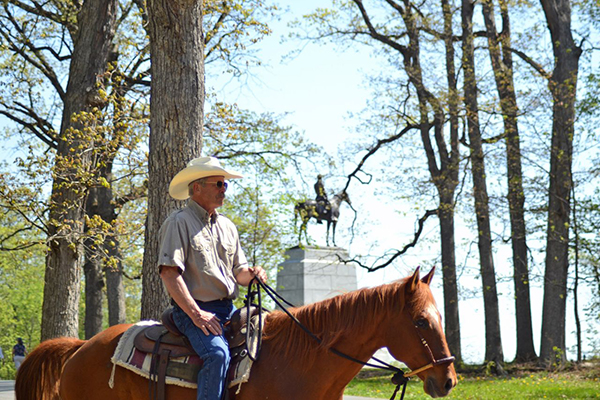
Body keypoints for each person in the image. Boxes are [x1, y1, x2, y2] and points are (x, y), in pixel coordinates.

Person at [158, 156, 267, 400]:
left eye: (225, 185)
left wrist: (255, 274)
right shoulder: (178, 222)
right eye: (218, 184)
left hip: (228, 310)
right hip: (193, 311)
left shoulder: (228, 226)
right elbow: (169, 273)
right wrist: (196, 314)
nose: (224, 190)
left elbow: (240, 272)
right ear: (197, 187)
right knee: (217, 355)